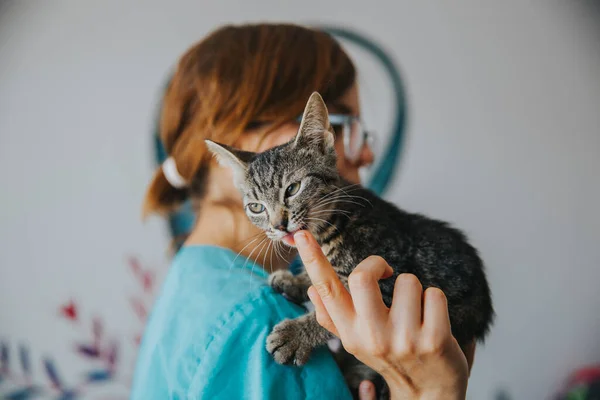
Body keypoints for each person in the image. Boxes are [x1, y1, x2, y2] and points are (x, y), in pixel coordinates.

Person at [131, 23, 473, 400]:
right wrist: (433, 392)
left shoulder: (191, 280)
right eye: (342, 125)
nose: (366, 153)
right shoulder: (260, 320)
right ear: (239, 139)